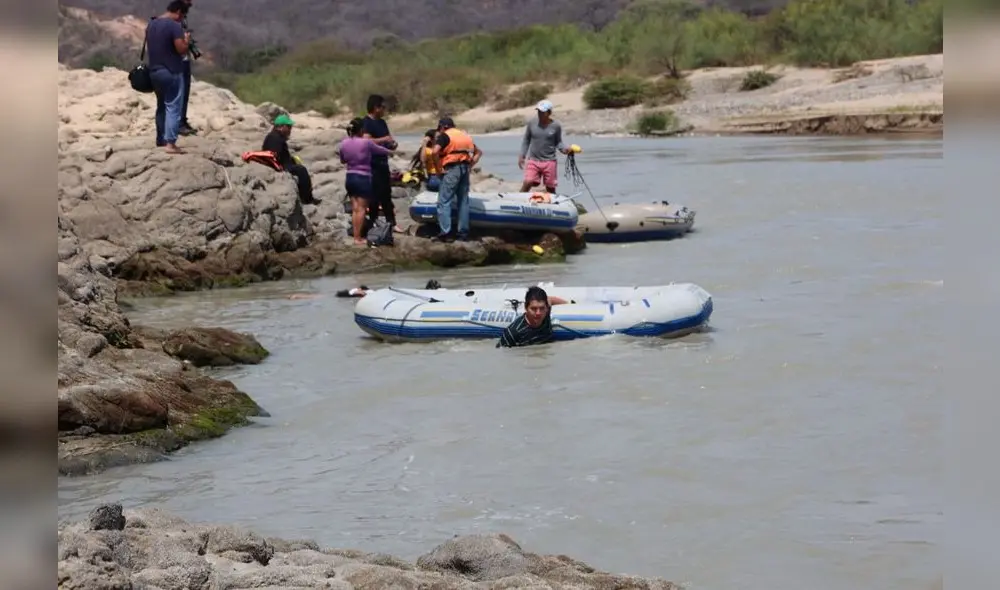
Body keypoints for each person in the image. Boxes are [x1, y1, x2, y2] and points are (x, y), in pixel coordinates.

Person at [338, 117, 396, 245]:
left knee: (355, 209)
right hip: (363, 178)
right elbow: (381, 151)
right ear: (361, 130)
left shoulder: (344, 143)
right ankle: (358, 238)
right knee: (362, 209)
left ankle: (355, 236)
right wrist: (391, 151)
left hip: (350, 177)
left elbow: (342, 160)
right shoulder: (366, 143)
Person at [145, 1, 190, 154]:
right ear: (178, 11)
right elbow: (181, 50)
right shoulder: (173, 26)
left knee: (161, 105)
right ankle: (170, 144)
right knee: (173, 106)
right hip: (171, 71)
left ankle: (160, 140)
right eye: (181, 16)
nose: (180, 19)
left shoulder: (152, 24)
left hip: (154, 71)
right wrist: (187, 41)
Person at [430, 117, 482, 242]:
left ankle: (445, 233)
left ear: (443, 127)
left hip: (451, 169)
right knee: (463, 201)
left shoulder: (445, 136)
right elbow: (479, 152)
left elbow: (434, 152)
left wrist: (438, 169)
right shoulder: (464, 136)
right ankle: (463, 233)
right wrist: (469, 166)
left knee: (444, 200)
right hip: (464, 168)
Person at [361, 94, 401, 233]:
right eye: (382, 107)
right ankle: (372, 222)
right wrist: (384, 139)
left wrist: (392, 144)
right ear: (375, 107)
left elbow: (387, 140)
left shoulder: (382, 122)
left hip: (383, 162)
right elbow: (366, 140)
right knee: (373, 195)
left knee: (386, 194)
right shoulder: (366, 122)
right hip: (372, 164)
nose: (384, 109)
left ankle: (392, 223)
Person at [518, 100, 572, 193]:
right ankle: (518, 199)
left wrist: (564, 149)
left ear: (549, 113)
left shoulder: (556, 126)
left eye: (543, 112)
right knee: (528, 181)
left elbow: (558, 142)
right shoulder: (532, 123)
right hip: (534, 160)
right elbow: (526, 140)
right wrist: (522, 155)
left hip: (549, 161)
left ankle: (553, 204)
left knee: (550, 186)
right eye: (538, 111)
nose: (540, 114)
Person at [262, 114, 317, 205]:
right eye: (289, 127)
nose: (290, 129)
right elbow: (275, 155)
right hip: (280, 166)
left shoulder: (274, 136)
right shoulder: (275, 138)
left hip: (280, 164)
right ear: (281, 127)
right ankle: (307, 199)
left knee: (298, 167)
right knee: (302, 170)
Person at [177, 0, 197, 136]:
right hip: (179, 61)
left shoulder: (182, 20)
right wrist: (187, 41)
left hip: (183, 60)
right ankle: (179, 123)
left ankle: (182, 120)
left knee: (184, 92)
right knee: (181, 92)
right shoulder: (175, 22)